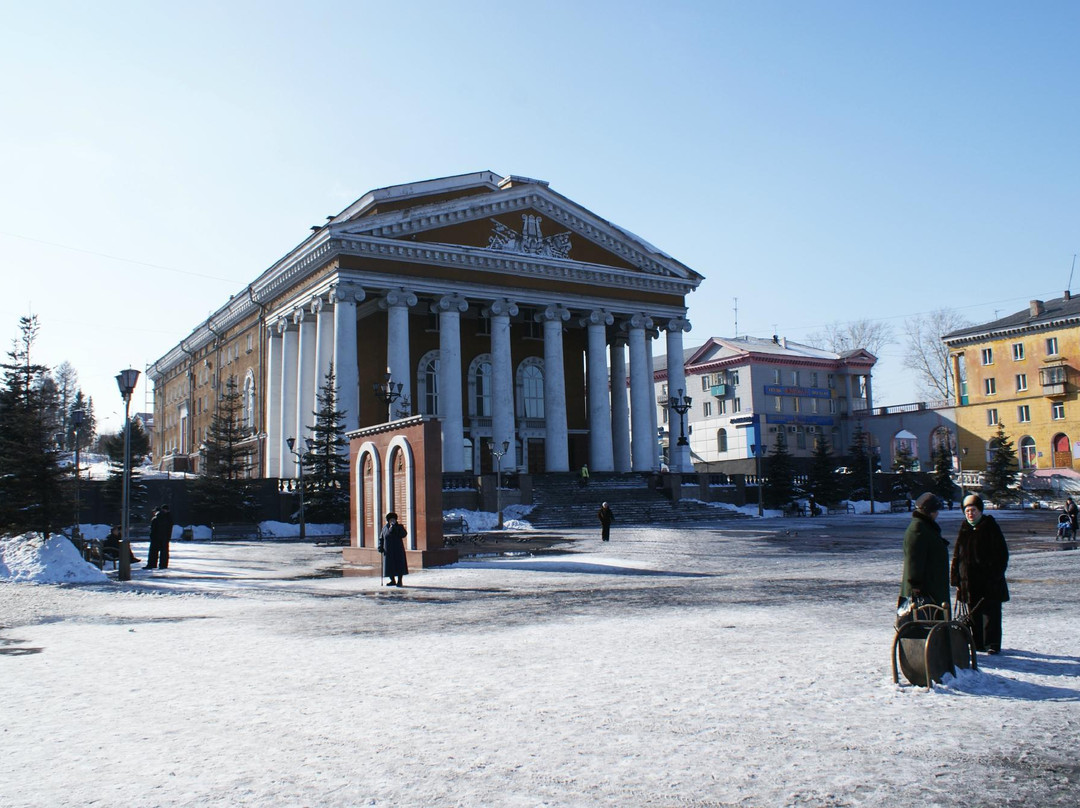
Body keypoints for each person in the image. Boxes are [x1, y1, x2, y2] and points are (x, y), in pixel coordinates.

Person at [951, 494, 1010, 654]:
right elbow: (957, 555)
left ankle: (992, 644)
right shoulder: (964, 529)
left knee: (990, 615)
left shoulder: (990, 527)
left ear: (980, 511)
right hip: (969, 582)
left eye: (973, 510)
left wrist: (994, 576)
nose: (970, 513)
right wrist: (956, 579)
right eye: (968, 510)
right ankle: (977, 643)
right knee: (973, 615)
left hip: (989, 582)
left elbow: (1002, 555)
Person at [899, 492, 950, 616]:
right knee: (922, 624)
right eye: (936, 510)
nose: (937, 513)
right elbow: (914, 560)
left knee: (929, 624)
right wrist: (915, 585)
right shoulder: (918, 529)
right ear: (930, 511)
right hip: (925, 591)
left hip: (930, 587)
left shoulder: (925, 527)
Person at [378, 511, 408, 587]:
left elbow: (403, 534)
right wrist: (380, 547)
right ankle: (392, 580)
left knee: (399, 565)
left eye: (393, 519)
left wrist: (395, 528)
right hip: (388, 550)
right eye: (390, 520)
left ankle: (399, 581)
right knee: (389, 566)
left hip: (397, 549)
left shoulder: (399, 527)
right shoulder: (385, 528)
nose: (392, 521)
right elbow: (381, 538)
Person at [145, 504, 173, 570]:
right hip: (165, 537)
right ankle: (163, 565)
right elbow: (169, 528)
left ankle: (152, 564)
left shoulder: (157, 517)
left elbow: (153, 528)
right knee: (164, 552)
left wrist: (152, 535)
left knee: (153, 552)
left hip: (156, 537)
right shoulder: (169, 517)